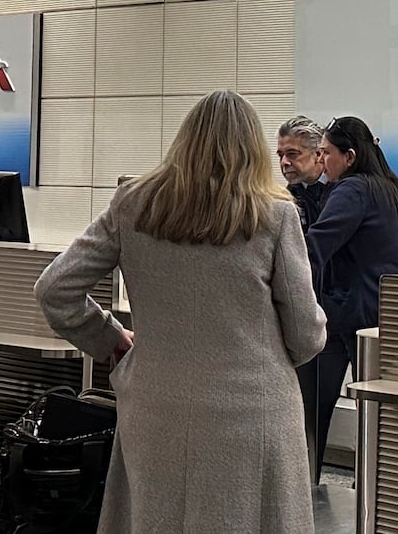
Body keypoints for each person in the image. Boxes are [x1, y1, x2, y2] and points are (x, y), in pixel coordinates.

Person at [35, 89, 326, 534]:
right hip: (253, 415)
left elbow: (55, 289)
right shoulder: (275, 215)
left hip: (155, 408)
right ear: (253, 148)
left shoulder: (133, 203)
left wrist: (111, 341)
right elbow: (306, 336)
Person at [302, 116, 398, 484]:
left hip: (350, 314)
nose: (322, 163)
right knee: (378, 418)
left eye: (325, 154)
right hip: (391, 315)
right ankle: (369, 493)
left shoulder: (352, 190)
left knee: (311, 410)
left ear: (349, 156)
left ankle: (303, 487)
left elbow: (315, 246)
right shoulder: (394, 188)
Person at [277, 114, 330, 231]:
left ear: (318, 154)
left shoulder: (343, 188)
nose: (284, 162)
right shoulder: (287, 197)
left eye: (292, 154)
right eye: (280, 155)